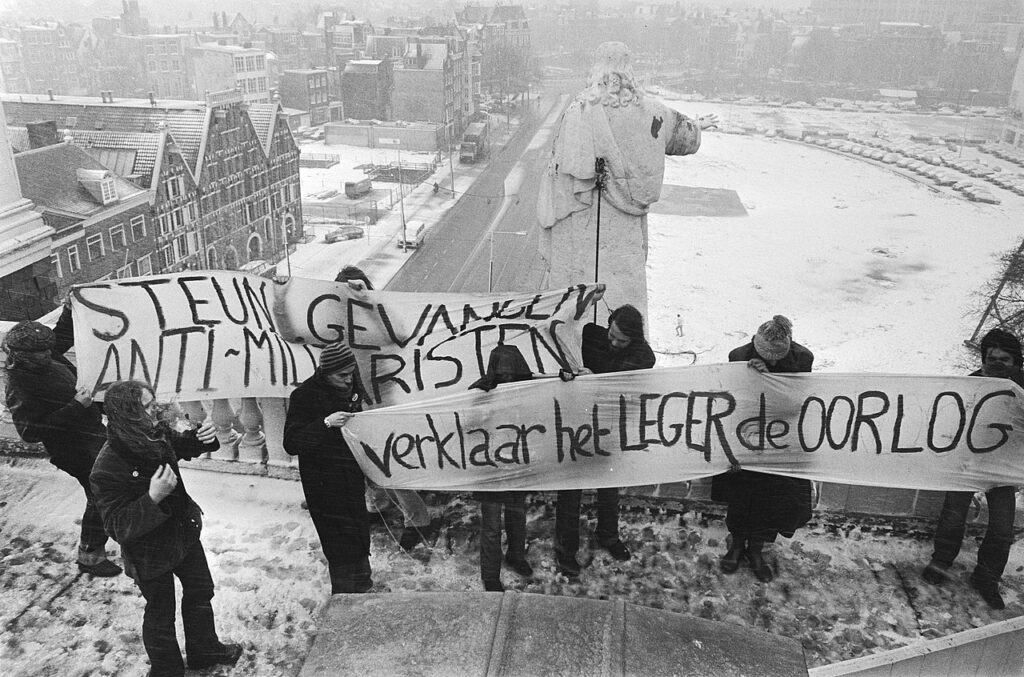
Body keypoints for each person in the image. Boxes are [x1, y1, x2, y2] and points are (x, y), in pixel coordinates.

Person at [536, 41, 717, 321]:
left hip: (583, 232)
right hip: (626, 238)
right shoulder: (653, 112)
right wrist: (697, 125)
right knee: (625, 309)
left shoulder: (579, 111)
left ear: (598, 69)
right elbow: (685, 137)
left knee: (579, 312)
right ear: (629, 69)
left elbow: (557, 178)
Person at [89, 380, 241, 677]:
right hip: (148, 550)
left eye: (153, 403)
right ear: (129, 415)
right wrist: (152, 498)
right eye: (147, 407)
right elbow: (117, 525)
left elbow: (179, 445)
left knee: (200, 590)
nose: (155, 411)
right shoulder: (107, 466)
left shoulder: (153, 432)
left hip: (182, 531)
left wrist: (202, 439)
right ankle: (166, 670)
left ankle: (204, 650)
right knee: (161, 612)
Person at [334, 264, 441, 551]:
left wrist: (367, 300)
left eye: (357, 289)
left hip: (384, 401)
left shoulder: (378, 314)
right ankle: (378, 504)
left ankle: (418, 519)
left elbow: (402, 334)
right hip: (352, 402)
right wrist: (281, 293)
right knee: (363, 460)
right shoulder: (336, 319)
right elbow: (293, 332)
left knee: (390, 463)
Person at [3, 319, 121, 577]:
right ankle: (90, 555)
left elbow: (63, 334)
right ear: (21, 355)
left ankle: (117, 532)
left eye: (49, 348)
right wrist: (77, 406)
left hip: (93, 438)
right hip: (72, 450)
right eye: (41, 351)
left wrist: (70, 308)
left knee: (110, 488)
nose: (48, 352)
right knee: (101, 494)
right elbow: (30, 432)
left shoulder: (46, 360)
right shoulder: (19, 383)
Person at [921, 327, 1023, 610]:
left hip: (1004, 469)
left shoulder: (1023, 389)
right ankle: (941, 561)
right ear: (983, 360)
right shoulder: (970, 385)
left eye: (1004, 360)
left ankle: (986, 578)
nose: (997, 365)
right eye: (992, 359)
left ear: (1016, 362)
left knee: (1002, 529)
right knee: (953, 516)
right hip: (969, 461)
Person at [555, 304, 655, 578]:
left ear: (634, 339)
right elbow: (564, 331)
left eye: (621, 341)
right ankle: (565, 550)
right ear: (608, 324)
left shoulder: (644, 356)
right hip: (578, 425)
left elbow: (616, 383)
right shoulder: (591, 334)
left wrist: (592, 380)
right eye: (611, 335)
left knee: (609, 487)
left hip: (611, 427)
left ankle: (608, 535)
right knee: (571, 488)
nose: (613, 343)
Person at [713, 315, 813, 583]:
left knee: (772, 499)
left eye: (777, 357)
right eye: (766, 356)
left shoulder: (803, 359)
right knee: (742, 496)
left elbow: (797, 403)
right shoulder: (739, 356)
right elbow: (733, 398)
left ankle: (756, 549)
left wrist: (769, 378)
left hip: (781, 439)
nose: (773, 361)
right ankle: (737, 544)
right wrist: (749, 376)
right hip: (747, 437)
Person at [283, 341, 373, 594]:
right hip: (323, 483)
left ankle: (364, 585)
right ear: (326, 372)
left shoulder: (350, 383)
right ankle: (343, 596)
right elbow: (291, 443)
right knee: (338, 542)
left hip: (350, 475)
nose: (349, 380)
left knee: (359, 531)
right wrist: (325, 423)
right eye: (342, 375)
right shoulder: (303, 396)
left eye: (351, 373)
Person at [469, 345, 536, 592]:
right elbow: (467, 424)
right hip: (490, 467)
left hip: (516, 463)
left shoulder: (528, 390)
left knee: (517, 515)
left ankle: (516, 556)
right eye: (502, 374)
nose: (506, 378)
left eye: (511, 374)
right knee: (491, 524)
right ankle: (490, 575)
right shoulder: (480, 391)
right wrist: (482, 409)